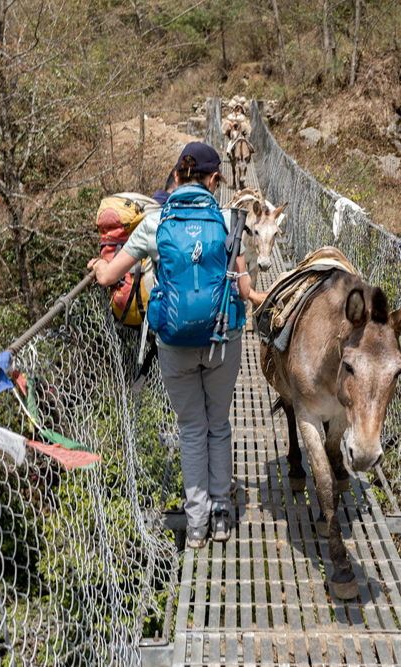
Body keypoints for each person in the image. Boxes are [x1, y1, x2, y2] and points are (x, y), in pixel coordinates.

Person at [89, 142, 266, 548]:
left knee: (190, 429)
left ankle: (197, 525)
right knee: (218, 425)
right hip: (223, 339)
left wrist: (100, 265)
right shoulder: (228, 221)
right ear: (214, 180)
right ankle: (222, 515)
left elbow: (108, 276)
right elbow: (241, 286)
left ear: (177, 175)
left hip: (174, 343)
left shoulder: (154, 221)